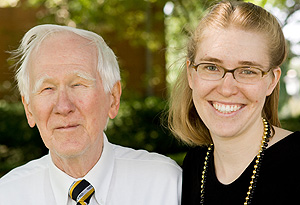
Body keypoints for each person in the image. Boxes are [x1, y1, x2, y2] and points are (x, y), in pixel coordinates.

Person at [0, 24, 182, 205]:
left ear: (113, 97)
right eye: (47, 88)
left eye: (78, 84)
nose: (63, 106)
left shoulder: (166, 185)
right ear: (29, 109)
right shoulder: (7, 195)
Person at [167, 1, 300, 205]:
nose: (227, 89)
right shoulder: (194, 165)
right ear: (191, 74)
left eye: (248, 71)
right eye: (211, 67)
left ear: (272, 81)